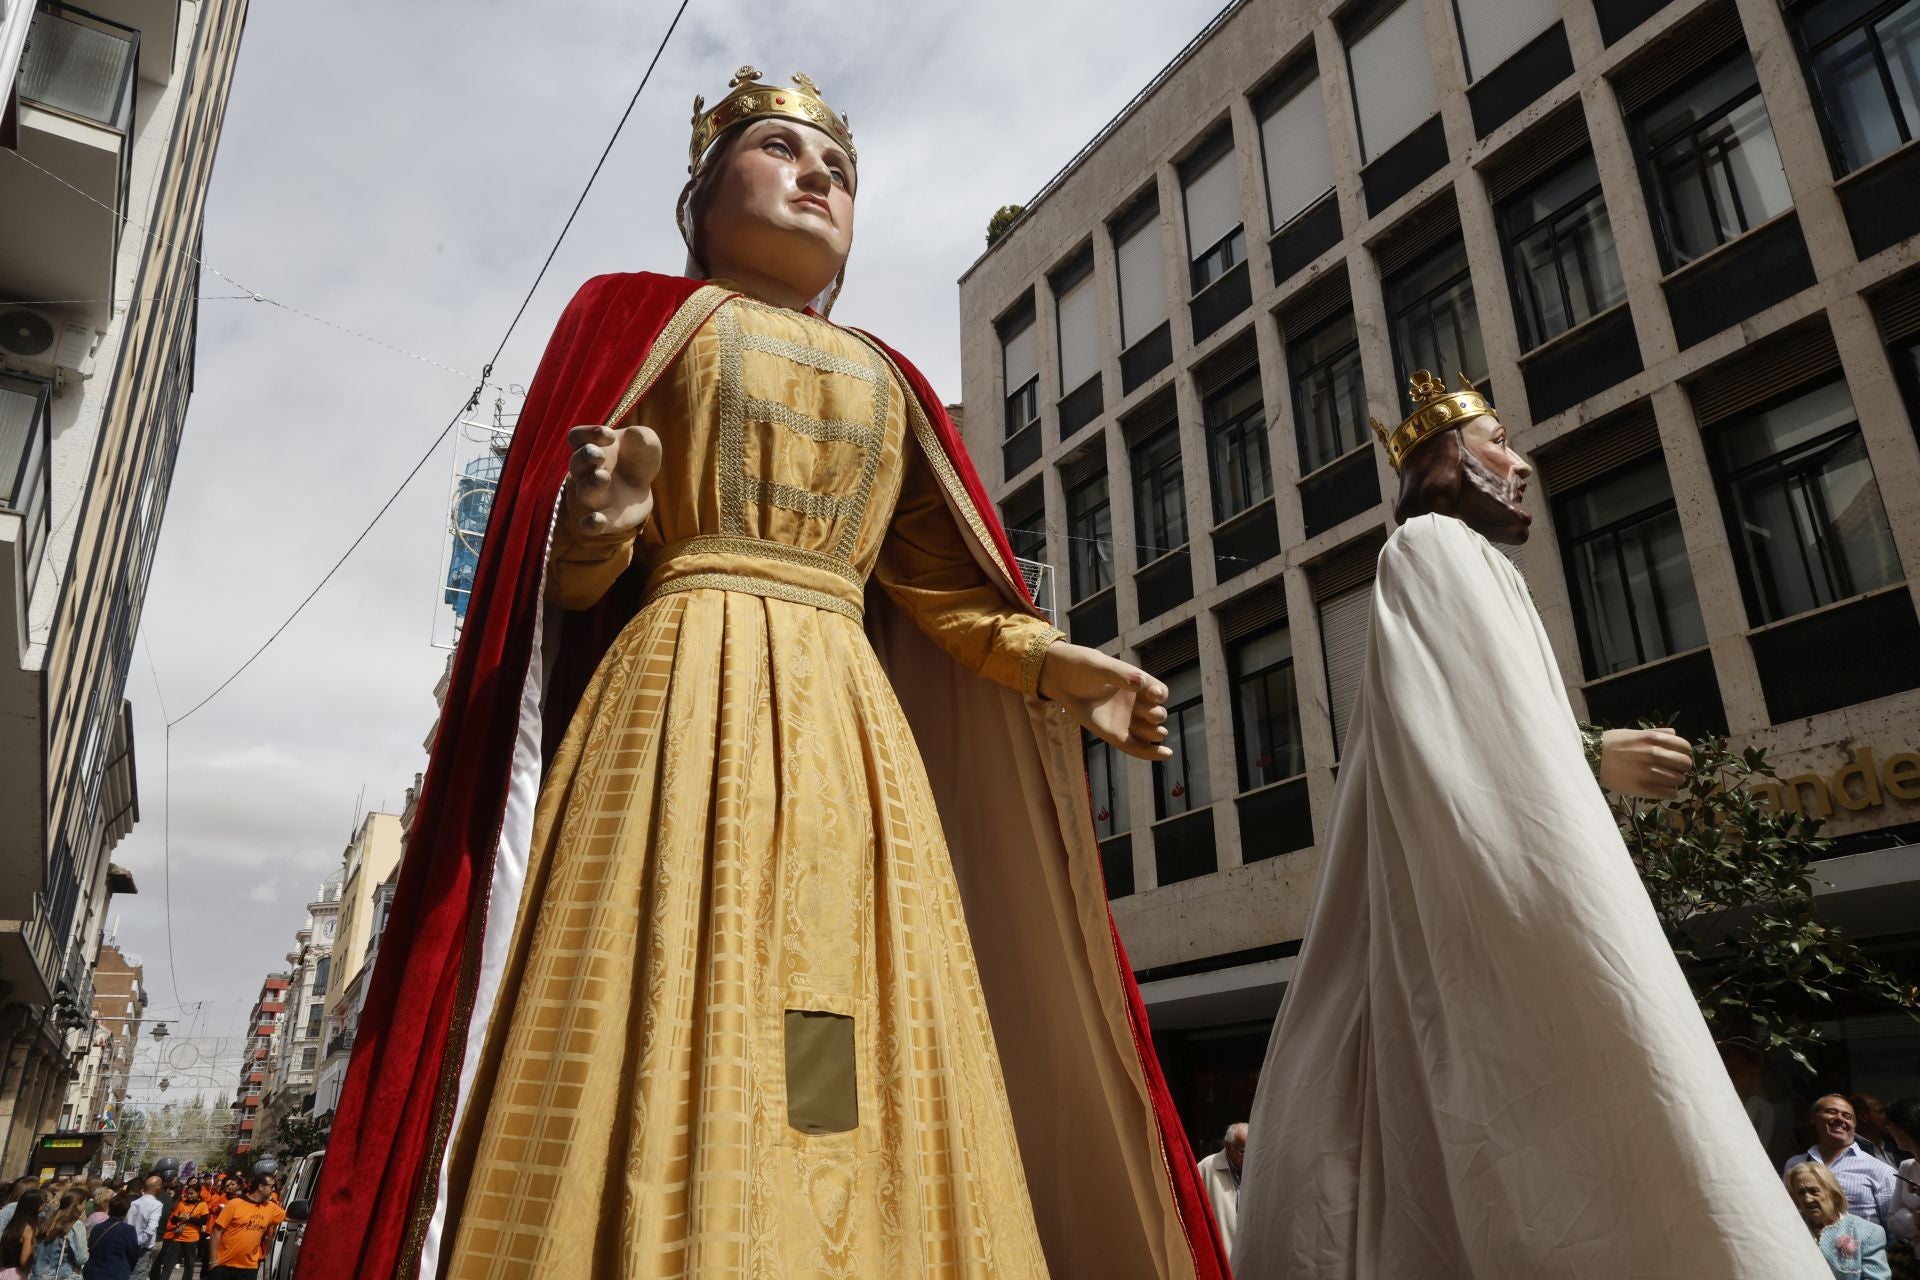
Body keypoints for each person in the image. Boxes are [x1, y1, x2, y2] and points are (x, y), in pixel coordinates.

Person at [302, 65, 1232, 1280]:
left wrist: (1059, 668)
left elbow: (944, 591)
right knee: (670, 977)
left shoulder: (894, 381)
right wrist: (601, 521)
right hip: (682, 686)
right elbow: (562, 597)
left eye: (839, 169)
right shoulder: (638, 321)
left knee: (837, 989)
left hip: (851, 718)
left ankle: (839, 1231)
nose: (819, 178)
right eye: (783, 151)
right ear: (699, 195)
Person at [1231, 371, 1826, 1278]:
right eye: (1499, 439)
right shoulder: (1430, 548)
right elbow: (1458, 733)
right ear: (1445, 458)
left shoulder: (1466, 566)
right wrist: (1590, 757)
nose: (1521, 463)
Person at [1790, 1095, 1901, 1228]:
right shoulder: (1794, 1165)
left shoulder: (1880, 1171)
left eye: (1847, 1116)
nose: (1839, 1119)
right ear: (1813, 1118)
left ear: (1854, 1125)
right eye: (1831, 1112)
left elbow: (1895, 1230)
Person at [1792, 1161, 1893, 1279]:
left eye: (1814, 1191)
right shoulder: (1792, 1229)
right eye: (1801, 1193)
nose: (1807, 1199)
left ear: (1833, 1193)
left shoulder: (1868, 1232)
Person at [205, 1179, 283, 1279]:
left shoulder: (271, 1207)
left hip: (249, 1268)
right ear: (261, 1187)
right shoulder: (235, 1204)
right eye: (271, 1186)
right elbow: (216, 1231)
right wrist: (213, 1261)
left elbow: (290, 1216)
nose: (273, 1189)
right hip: (223, 1265)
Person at [1196, 1123, 1247, 1257]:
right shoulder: (1205, 1168)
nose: (1249, 1157)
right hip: (1223, 1253)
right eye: (1243, 1152)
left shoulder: (1258, 1167)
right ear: (1229, 1147)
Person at [150, 1184, 206, 1280]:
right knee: (169, 1262)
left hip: (192, 1238)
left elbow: (203, 1221)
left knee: (189, 1264)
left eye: (192, 1193)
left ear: (198, 1193)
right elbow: (173, 1220)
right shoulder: (181, 1203)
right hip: (178, 1237)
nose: (189, 1195)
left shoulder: (203, 1205)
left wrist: (189, 1218)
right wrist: (179, 1217)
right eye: (188, 1193)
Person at [81, 1195, 142, 1280]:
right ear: (126, 1211)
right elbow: (133, 1254)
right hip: (115, 1273)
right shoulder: (128, 1230)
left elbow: (90, 1247)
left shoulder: (97, 1227)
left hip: (93, 1272)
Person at [34, 1190, 89, 1280]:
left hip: (37, 1275)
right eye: (84, 1203)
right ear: (78, 1205)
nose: (84, 1207)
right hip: (62, 1275)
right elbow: (81, 1258)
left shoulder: (46, 1220)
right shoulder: (76, 1225)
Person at [120, 1181, 160, 1280]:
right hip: (142, 1247)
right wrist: (140, 1241)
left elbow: (126, 1222)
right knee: (138, 1275)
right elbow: (151, 1227)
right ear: (158, 1188)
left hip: (129, 1244)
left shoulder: (135, 1203)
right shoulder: (156, 1204)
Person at [0, 1194, 37, 1280]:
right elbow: (24, 1262)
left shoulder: (10, 1226)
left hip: (3, 1271)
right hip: (19, 1275)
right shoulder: (28, 1230)